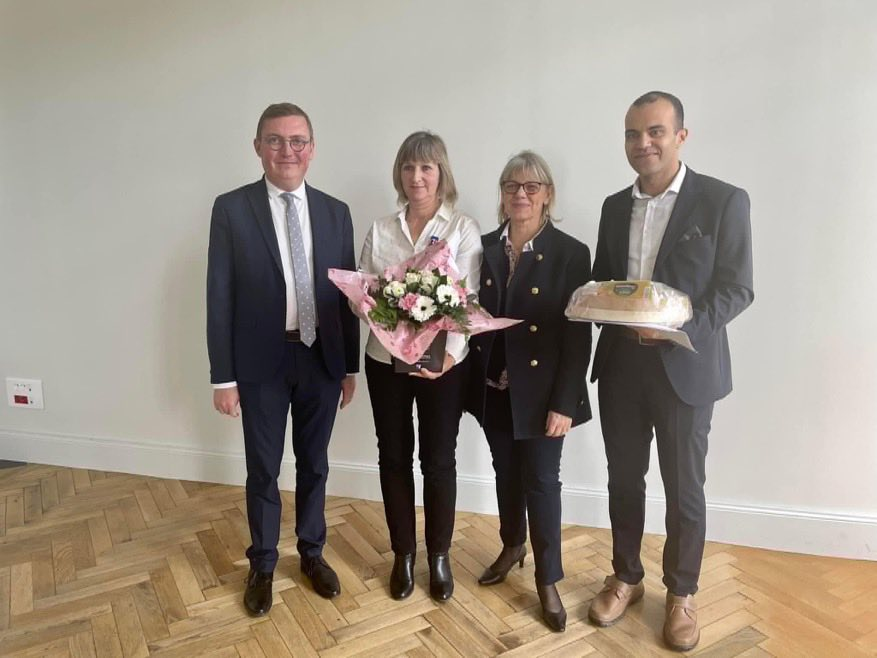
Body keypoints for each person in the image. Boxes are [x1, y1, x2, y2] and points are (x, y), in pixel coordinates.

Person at [587, 91, 753, 651]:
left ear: (681, 136)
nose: (643, 144)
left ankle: (681, 593)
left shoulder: (723, 201)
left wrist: (680, 329)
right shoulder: (614, 206)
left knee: (684, 489)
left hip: (687, 366)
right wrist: (593, 301)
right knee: (623, 480)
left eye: (655, 132)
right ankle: (626, 576)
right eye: (633, 134)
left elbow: (737, 288)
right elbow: (606, 279)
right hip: (621, 368)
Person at [207, 103, 359, 616]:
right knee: (263, 469)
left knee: (315, 464)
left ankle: (312, 553)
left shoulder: (336, 212)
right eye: (275, 140)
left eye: (297, 141)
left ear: (312, 149)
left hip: (321, 359)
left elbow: (348, 294)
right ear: (257, 147)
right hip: (260, 364)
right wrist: (222, 378)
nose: (287, 151)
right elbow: (219, 295)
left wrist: (350, 366)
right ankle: (264, 562)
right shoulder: (231, 209)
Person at [467, 151, 592, 632]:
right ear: (501, 194)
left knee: (541, 482)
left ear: (548, 195)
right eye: (511, 186)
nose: (520, 194)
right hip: (495, 388)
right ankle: (511, 544)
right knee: (505, 473)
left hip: (543, 396)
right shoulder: (484, 248)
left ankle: (547, 577)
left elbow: (577, 335)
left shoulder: (570, 253)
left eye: (531, 187)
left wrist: (565, 402)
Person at [359, 131, 482, 602]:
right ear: (400, 174)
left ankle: (439, 557)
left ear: (441, 173)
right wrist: (374, 305)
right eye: (409, 168)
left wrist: (448, 357)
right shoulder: (380, 229)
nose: (417, 177)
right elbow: (364, 297)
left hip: (442, 366)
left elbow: (467, 302)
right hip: (383, 360)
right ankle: (402, 554)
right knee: (392, 456)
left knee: (438, 459)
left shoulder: (462, 228)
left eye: (426, 168)